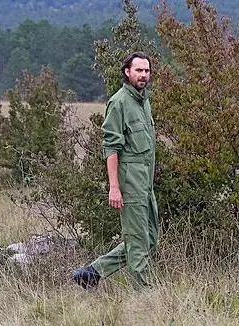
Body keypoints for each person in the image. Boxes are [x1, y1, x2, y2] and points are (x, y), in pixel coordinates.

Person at [72, 52, 158, 289]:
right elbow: (111, 148)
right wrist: (114, 187)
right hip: (129, 184)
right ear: (127, 72)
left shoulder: (143, 101)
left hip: (145, 184)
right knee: (138, 242)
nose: (143, 75)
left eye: (146, 71)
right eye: (138, 70)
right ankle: (147, 296)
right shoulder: (119, 102)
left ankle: (92, 272)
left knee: (149, 239)